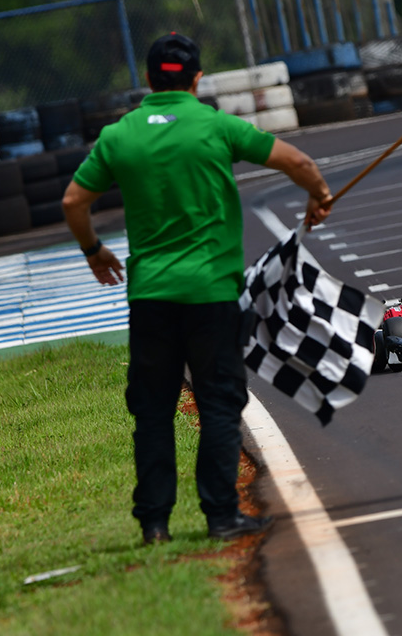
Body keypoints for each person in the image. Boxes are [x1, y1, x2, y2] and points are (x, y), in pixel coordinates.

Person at [62, 32, 333, 545]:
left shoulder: (120, 136)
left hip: (151, 297)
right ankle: (221, 515)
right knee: (218, 400)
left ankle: (156, 523)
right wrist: (318, 196)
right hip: (210, 294)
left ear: (147, 80)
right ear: (197, 78)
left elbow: (75, 201)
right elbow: (297, 163)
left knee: (153, 407)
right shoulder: (215, 127)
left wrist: (93, 250)